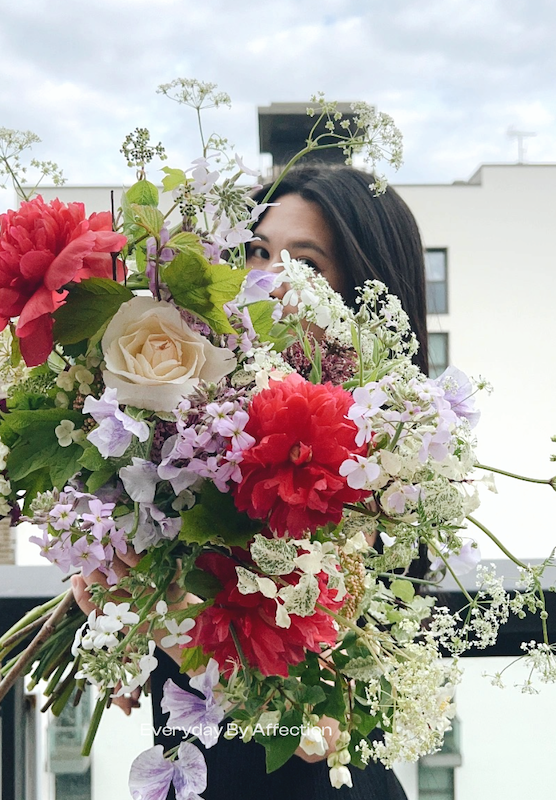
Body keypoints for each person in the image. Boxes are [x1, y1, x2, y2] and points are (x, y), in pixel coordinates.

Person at [73, 163, 429, 799]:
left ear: (361, 289)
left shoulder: (374, 459)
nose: (270, 276)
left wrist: (159, 616)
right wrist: (107, 583)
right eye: (258, 251)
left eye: (308, 263)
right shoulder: (209, 414)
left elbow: (292, 701)